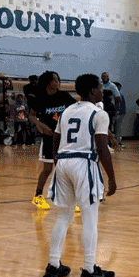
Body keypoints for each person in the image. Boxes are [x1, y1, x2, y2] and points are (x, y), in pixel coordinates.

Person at [41, 73, 117, 277]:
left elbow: (56, 138)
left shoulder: (66, 111)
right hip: (83, 163)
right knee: (90, 217)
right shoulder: (98, 113)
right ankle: (89, 269)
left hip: (63, 162)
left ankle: (53, 265)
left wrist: (58, 164)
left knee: (64, 216)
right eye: (100, 87)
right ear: (93, 91)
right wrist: (111, 179)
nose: (102, 91)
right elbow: (102, 147)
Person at [29, 71, 78, 210]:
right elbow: (31, 116)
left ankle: (70, 200)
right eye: (55, 79)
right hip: (48, 138)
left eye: (58, 79)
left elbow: (76, 109)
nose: (58, 82)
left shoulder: (64, 96)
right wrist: (40, 124)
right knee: (47, 169)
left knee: (66, 169)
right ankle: (38, 196)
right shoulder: (40, 98)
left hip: (63, 138)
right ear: (48, 82)